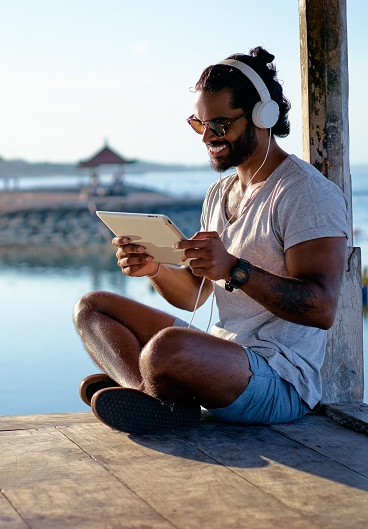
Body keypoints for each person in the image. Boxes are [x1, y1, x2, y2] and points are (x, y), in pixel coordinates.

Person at [72, 46, 348, 434]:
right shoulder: (220, 194)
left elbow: (322, 310)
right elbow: (193, 296)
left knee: (166, 349)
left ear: (262, 117)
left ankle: (149, 386)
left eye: (219, 124)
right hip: (221, 356)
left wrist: (235, 269)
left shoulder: (305, 194)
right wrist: (154, 269)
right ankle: (149, 393)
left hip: (278, 380)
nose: (208, 137)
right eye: (199, 125)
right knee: (92, 308)